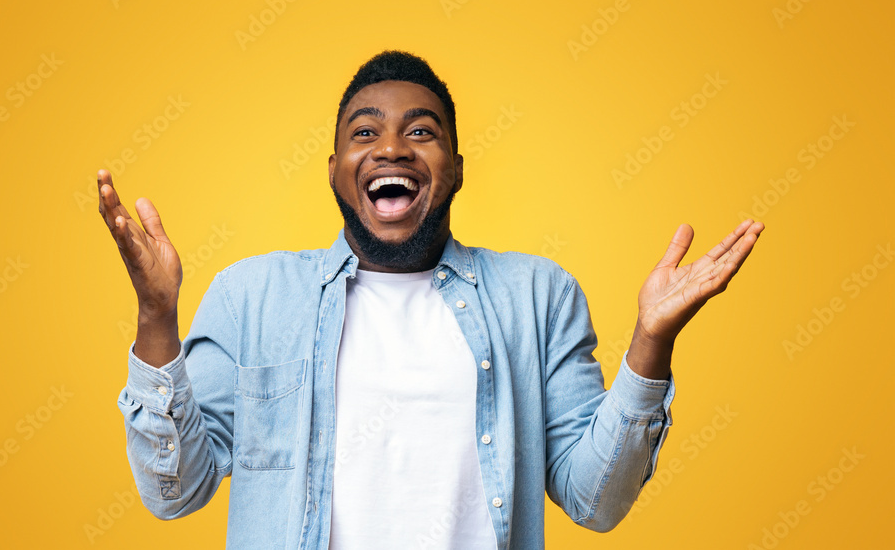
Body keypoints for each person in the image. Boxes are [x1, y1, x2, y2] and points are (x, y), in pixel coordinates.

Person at [97, 50, 763, 549]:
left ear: (457, 167)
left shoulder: (537, 295)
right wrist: (156, 319)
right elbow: (176, 491)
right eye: (364, 133)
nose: (392, 147)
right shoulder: (252, 296)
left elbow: (596, 501)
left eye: (422, 132)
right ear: (333, 171)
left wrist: (651, 344)